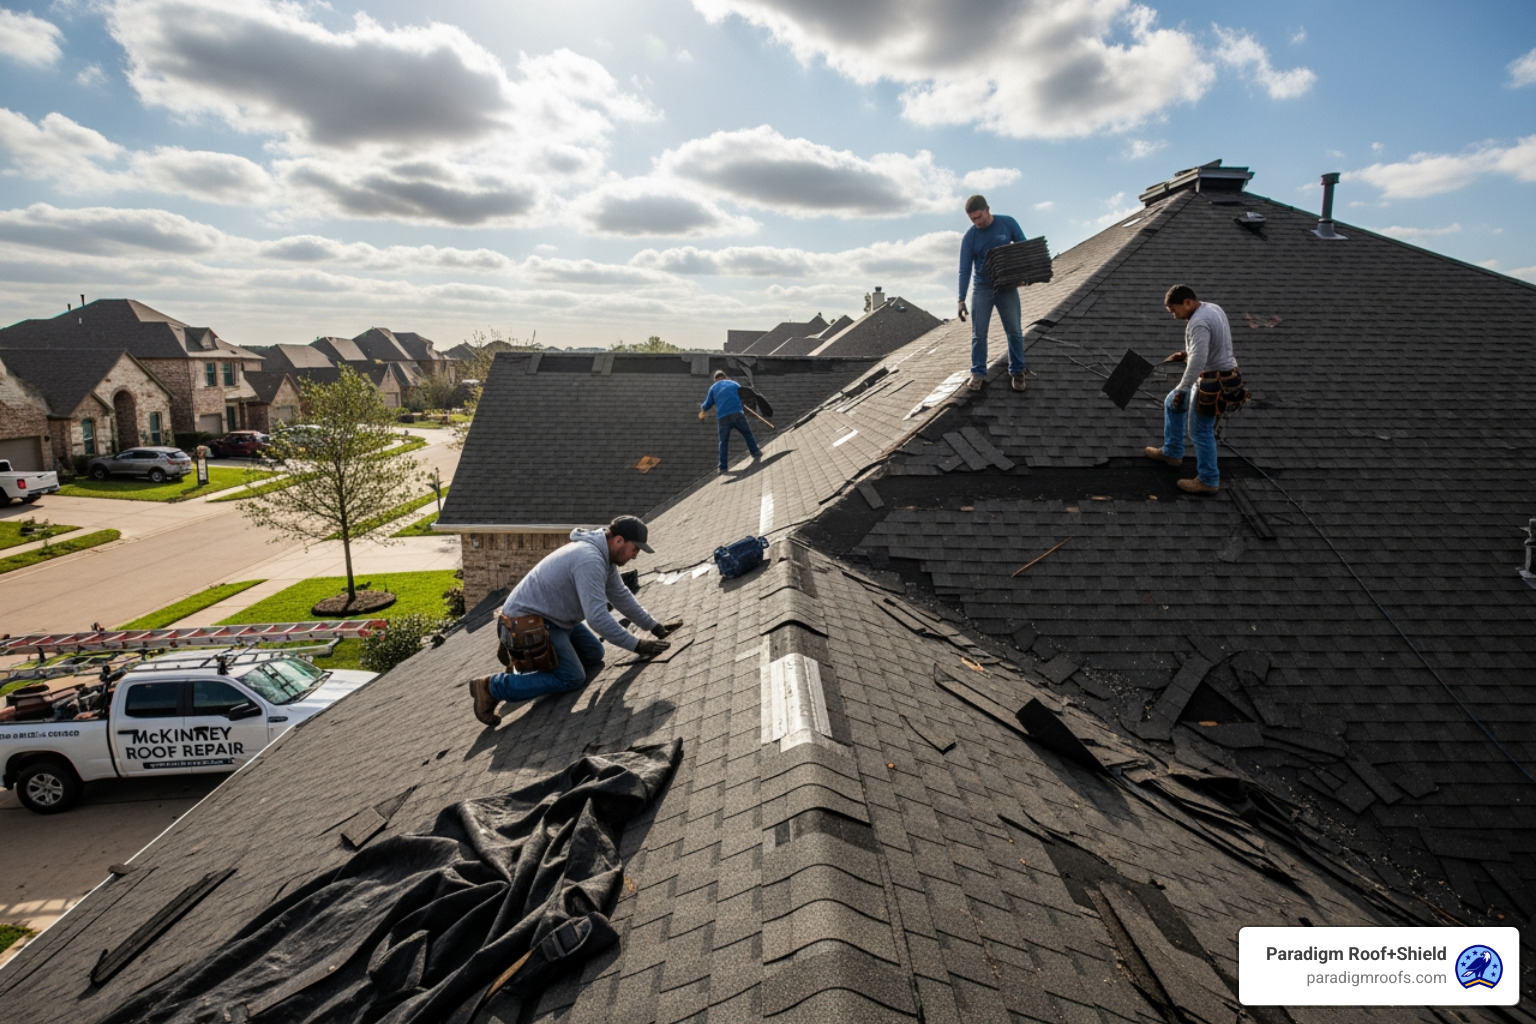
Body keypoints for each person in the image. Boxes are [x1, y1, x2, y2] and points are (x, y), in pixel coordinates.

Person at [466, 515, 682, 726]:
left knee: (594, 653)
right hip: (527, 623)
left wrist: (654, 627)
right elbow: (597, 618)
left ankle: (528, 663)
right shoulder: (589, 559)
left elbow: (621, 596)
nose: (635, 556)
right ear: (618, 540)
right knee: (572, 677)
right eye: (635, 549)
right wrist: (638, 645)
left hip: (554, 619)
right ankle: (491, 687)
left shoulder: (604, 559)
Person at [1144, 284, 1237, 494]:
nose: (1174, 316)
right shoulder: (1212, 308)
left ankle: (1208, 480)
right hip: (1222, 375)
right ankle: (1172, 452)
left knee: (1200, 431)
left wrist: (1183, 389)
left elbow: (1200, 358)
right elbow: (1207, 347)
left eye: (1174, 310)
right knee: (1171, 402)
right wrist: (1185, 354)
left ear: (1187, 302)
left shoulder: (1198, 322)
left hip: (1213, 382)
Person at [957, 194, 1028, 393]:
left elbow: (1024, 248)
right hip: (982, 288)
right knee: (978, 334)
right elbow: (964, 269)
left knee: (1014, 330)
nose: (977, 222)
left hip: (1006, 286)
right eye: (973, 219)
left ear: (988, 210)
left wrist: (1023, 274)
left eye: (979, 217)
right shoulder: (970, 237)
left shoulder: (1007, 223)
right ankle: (978, 373)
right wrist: (961, 299)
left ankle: (1018, 371)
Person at [699, 370, 761, 474]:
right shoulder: (734, 384)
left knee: (723, 442)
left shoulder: (713, 388)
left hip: (723, 418)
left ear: (715, 380)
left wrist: (702, 410)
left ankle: (723, 467)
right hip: (737, 414)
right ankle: (755, 452)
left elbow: (707, 404)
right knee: (747, 433)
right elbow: (744, 395)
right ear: (725, 377)